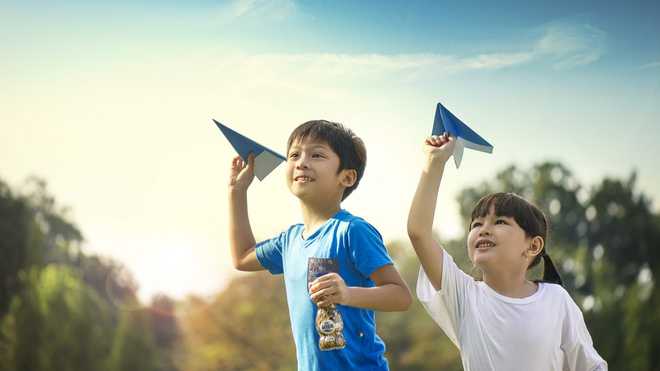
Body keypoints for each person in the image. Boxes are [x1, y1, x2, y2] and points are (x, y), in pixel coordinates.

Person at [407, 133, 607, 371]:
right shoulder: (464, 296)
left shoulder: (557, 300)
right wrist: (434, 161)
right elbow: (418, 231)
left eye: (499, 222)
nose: (483, 230)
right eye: (477, 224)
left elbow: (591, 367)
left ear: (533, 246)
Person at [228, 120, 412, 371]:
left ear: (346, 177)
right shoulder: (289, 241)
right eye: (294, 155)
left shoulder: (352, 231)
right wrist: (237, 193)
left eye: (316, 155)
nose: (302, 162)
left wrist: (347, 294)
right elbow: (242, 257)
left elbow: (400, 296)